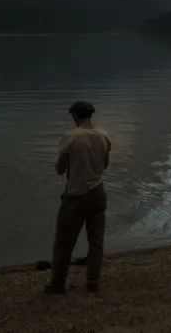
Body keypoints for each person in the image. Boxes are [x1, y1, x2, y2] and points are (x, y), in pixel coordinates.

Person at [46, 100, 111, 294]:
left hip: (76, 194)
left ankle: (58, 284)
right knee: (96, 241)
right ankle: (93, 282)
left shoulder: (71, 137)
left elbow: (59, 169)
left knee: (64, 242)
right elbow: (104, 165)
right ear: (90, 115)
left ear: (75, 116)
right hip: (98, 192)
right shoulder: (104, 135)